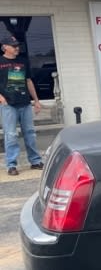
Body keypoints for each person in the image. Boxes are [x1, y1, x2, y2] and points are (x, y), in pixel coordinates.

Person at [0, 36, 43, 176]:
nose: (16, 48)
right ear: (5, 47)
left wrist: (36, 100)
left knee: (30, 133)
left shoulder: (23, 62)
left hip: (25, 103)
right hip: (9, 105)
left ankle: (35, 161)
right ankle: (12, 165)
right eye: (13, 46)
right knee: (11, 135)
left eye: (17, 45)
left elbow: (28, 81)